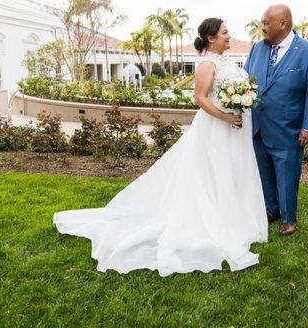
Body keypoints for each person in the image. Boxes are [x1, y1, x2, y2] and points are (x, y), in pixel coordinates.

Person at [54, 18, 268, 277]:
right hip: (216, 129)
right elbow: (200, 98)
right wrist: (225, 116)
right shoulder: (207, 64)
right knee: (215, 173)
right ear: (211, 38)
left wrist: (242, 101)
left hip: (234, 130)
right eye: (225, 32)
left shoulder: (225, 61)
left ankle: (236, 217)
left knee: (234, 172)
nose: (228, 36)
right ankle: (217, 221)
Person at [244, 4, 308, 236]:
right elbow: (247, 82)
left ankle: (289, 219)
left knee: (287, 175)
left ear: (283, 24)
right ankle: (271, 210)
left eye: (266, 23)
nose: (262, 28)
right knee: (264, 173)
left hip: (288, 129)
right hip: (258, 126)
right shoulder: (257, 49)